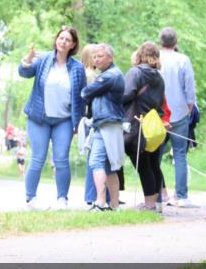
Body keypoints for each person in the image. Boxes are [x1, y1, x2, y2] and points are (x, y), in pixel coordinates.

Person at [18, 27, 86, 209]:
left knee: (62, 159)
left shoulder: (78, 68)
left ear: (73, 45)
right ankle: (31, 199)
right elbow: (24, 73)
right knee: (38, 158)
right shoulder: (43, 60)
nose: (63, 42)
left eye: (67, 40)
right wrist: (27, 60)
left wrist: (77, 124)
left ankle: (62, 199)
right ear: (56, 40)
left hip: (63, 120)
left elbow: (80, 98)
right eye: (60, 38)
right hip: (39, 118)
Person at [81, 44, 126, 211]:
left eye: (100, 56)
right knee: (111, 166)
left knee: (96, 161)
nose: (96, 59)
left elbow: (86, 92)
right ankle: (114, 205)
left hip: (107, 124)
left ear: (110, 58)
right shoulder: (110, 74)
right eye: (94, 57)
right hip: (109, 124)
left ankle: (100, 203)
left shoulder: (109, 76)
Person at [122, 42, 167, 211]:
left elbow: (126, 95)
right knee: (154, 163)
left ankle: (149, 204)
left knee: (143, 165)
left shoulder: (136, 72)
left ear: (140, 54)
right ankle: (157, 203)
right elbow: (161, 102)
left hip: (136, 122)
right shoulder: (159, 77)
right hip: (153, 124)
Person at [158, 28, 198, 208]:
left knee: (155, 154)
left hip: (159, 113)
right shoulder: (183, 60)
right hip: (179, 111)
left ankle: (156, 193)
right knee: (180, 154)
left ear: (160, 41)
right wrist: (189, 106)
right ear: (175, 42)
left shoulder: (155, 58)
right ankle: (181, 195)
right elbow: (189, 85)